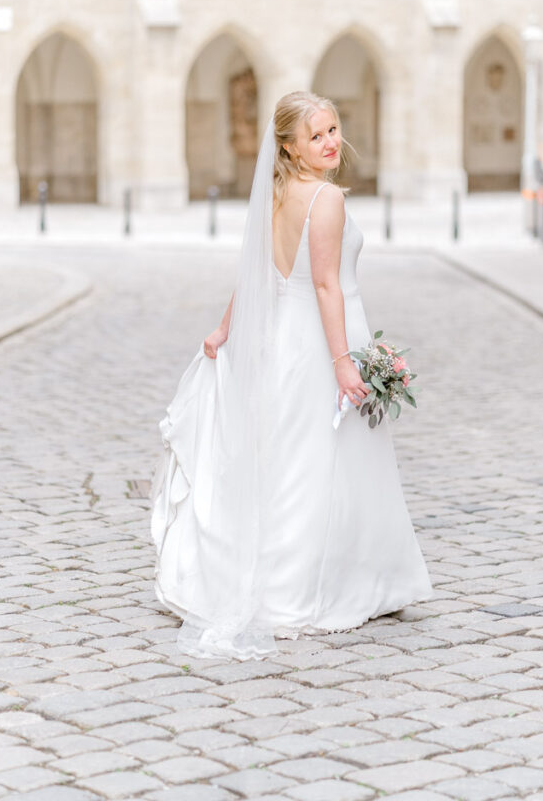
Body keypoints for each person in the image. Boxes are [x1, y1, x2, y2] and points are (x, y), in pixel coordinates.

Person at [150, 91, 432, 660]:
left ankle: (295, 574)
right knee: (320, 464)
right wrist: (343, 363)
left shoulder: (276, 193)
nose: (331, 143)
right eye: (316, 136)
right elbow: (326, 285)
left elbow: (255, 272)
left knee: (288, 458)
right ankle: (305, 588)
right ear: (289, 146)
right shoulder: (324, 198)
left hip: (283, 339)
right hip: (319, 342)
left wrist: (225, 328)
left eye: (333, 130)